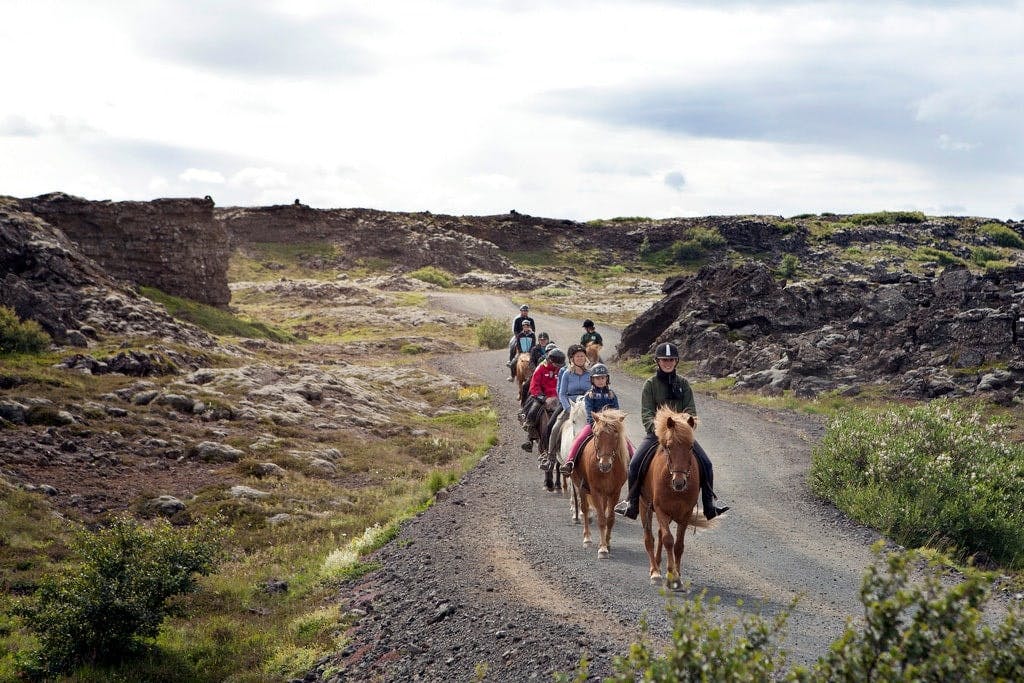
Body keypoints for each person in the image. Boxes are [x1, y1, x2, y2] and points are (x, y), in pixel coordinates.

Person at [613, 343, 730, 520]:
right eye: (664, 360)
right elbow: (647, 413)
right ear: (658, 362)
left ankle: (709, 505)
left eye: (671, 360)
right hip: (658, 436)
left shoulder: (683, 384)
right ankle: (632, 504)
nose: (667, 363)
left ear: (676, 362)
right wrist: (660, 431)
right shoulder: (650, 385)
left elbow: (691, 412)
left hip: (682, 438)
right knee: (635, 464)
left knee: (706, 463)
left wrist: (683, 428)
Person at [560, 363, 630, 474]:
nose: (600, 380)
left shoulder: (612, 395)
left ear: (607, 379)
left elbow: (616, 411)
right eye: (597, 378)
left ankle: (631, 461)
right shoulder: (589, 395)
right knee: (579, 439)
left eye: (603, 378)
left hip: (611, 426)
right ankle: (570, 462)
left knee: (626, 441)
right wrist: (596, 422)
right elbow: (589, 412)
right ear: (592, 380)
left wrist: (614, 421)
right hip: (594, 424)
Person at [544, 344, 591, 465]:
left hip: (587, 407)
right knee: (553, 427)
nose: (580, 358)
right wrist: (569, 408)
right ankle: (550, 456)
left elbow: (594, 391)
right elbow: (562, 394)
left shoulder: (590, 374)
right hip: (569, 405)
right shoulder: (566, 374)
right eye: (577, 356)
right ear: (572, 359)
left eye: (582, 356)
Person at [521, 347, 565, 452]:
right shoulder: (540, 368)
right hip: (543, 397)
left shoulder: (562, 370)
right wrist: (544, 398)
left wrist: (560, 397)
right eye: (557, 365)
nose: (558, 367)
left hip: (559, 398)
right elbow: (534, 387)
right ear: (550, 360)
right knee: (533, 411)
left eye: (560, 365)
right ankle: (530, 437)